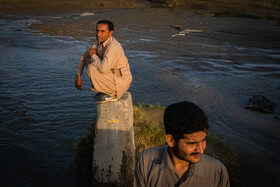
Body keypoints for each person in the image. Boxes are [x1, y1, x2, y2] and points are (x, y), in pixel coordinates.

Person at [134, 101, 230, 187]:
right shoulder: (146, 161)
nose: (201, 150)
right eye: (192, 143)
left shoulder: (217, 171)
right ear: (171, 140)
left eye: (203, 140)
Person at [75, 20, 132, 103]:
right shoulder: (99, 43)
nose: (98, 34)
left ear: (110, 33)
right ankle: (104, 90)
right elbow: (83, 57)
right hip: (111, 77)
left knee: (92, 67)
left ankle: (112, 94)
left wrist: (93, 55)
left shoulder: (113, 47)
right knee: (88, 59)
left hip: (121, 82)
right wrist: (78, 76)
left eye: (102, 31)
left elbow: (103, 69)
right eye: (97, 30)